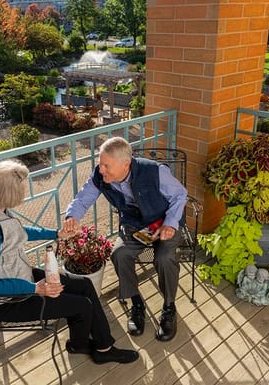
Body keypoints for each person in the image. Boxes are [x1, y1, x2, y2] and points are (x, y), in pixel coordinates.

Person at [0, 159, 139, 364]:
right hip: (4, 300)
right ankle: (102, 350)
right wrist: (37, 288)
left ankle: (84, 345)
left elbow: (14, 231)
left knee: (84, 286)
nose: (23, 197)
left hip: (17, 275)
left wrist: (56, 233)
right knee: (82, 306)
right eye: (20, 193)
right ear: (5, 193)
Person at [63, 137, 188, 342]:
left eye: (106, 165)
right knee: (119, 254)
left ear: (126, 164)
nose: (101, 170)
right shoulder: (100, 176)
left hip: (164, 224)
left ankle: (169, 307)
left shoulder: (155, 171)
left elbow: (180, 195)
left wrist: (170, 223)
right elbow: (84, 197)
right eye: (100, 163)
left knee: (164, 258)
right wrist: (72, 216)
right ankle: (136, 303)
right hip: (134, 225)